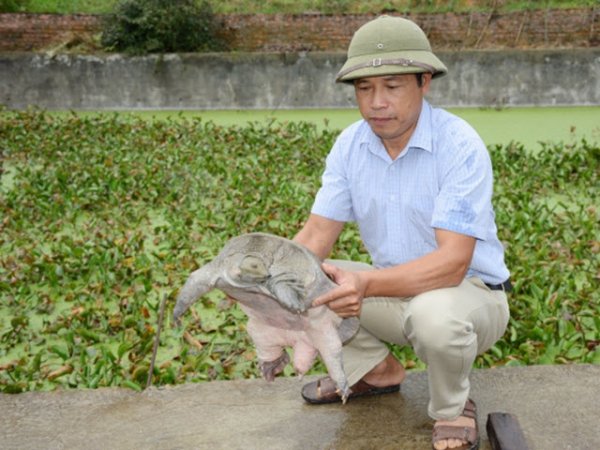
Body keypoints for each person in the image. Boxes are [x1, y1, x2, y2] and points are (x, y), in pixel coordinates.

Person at [292, 15, 511, 450]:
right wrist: (265, 279)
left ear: (424, 82)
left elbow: (453, 263)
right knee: (298, 278)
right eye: (364, 88)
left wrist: (367, 282)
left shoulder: (459, 145)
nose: (376, 102)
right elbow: (316, 235)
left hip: (471, 296)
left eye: (392, 87)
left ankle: (452, 408)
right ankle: (376, 371)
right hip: (393, 297)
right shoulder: (350, 145)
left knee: (433, 316)